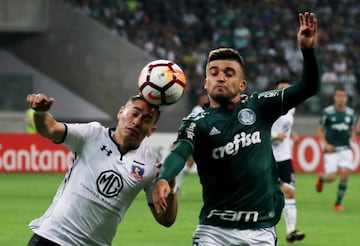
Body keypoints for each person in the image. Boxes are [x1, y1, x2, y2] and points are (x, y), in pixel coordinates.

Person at [152, 12, 319, 245]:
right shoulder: (197, 121)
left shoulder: (260, 105)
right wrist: (164, 178)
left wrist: (307, 51)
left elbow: (308, 87)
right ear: (205, 82)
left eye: (229, 73)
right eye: (214, 72)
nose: (220, 77)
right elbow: (180, 151)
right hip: (213, 230)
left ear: (242, 84)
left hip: (260, 231)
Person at [26, 93, 178, 246]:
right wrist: (40, 112)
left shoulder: (150, 165)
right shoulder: (91, 134)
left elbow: (166, 220)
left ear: (151, 130)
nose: (137, 122)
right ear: (121, 112)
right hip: (52, 238)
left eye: (146, 119)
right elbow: (50, 129)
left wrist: (171, 191)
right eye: (134, 113)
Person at [271, 79, 305, 243]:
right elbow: (257, 131)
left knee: (289, 192)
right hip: (268, 159)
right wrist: (274, 136)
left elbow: (284, 127)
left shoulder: (291, 109)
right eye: (281, 89)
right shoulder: (269, 107)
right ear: (275, 91)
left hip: (285, 158)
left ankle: (291, 231)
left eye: (287, 88)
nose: (285, 91)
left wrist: (291, 134)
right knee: (270, 197)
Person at [316, 86, 356, 211]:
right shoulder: (327, 112)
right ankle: (322, 178)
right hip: (331, 150)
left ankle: (338, 203)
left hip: (345, 149)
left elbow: (352, 128)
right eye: (338, 95)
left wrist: (353, 136)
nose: (341, 98)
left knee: (344, 173)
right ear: (334, 97)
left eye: (343, 96)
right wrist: (326, 144)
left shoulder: (350, 113)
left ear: (346, 98)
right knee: (331, 178)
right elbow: (320, 129)